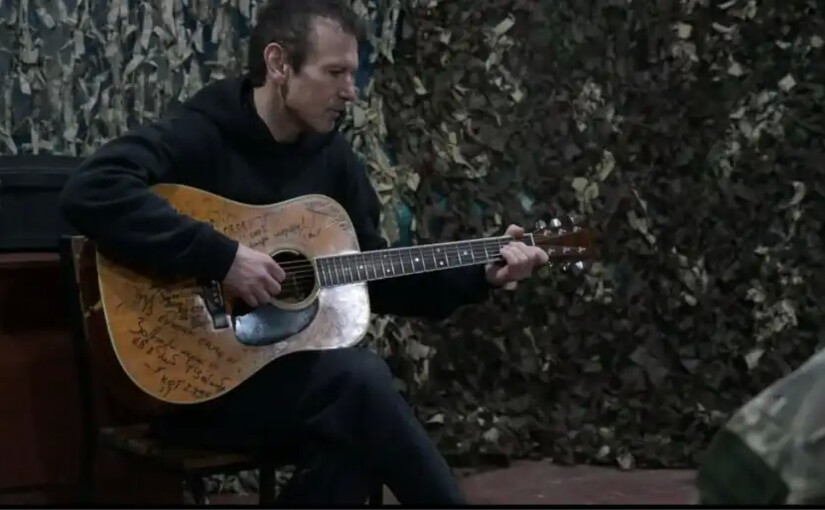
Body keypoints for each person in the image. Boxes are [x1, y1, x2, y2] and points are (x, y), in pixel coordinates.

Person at [59, 0, 549, 504]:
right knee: (360, 385)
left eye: (352, 74)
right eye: (335, 72)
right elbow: (91, 190)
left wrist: (481, 273)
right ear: (279, 64)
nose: (350, 91)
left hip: (290, 388)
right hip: (193, 386)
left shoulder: (334, 161)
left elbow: (374, 276)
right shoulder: (202, 134)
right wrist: (224, 258)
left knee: (356, 433)